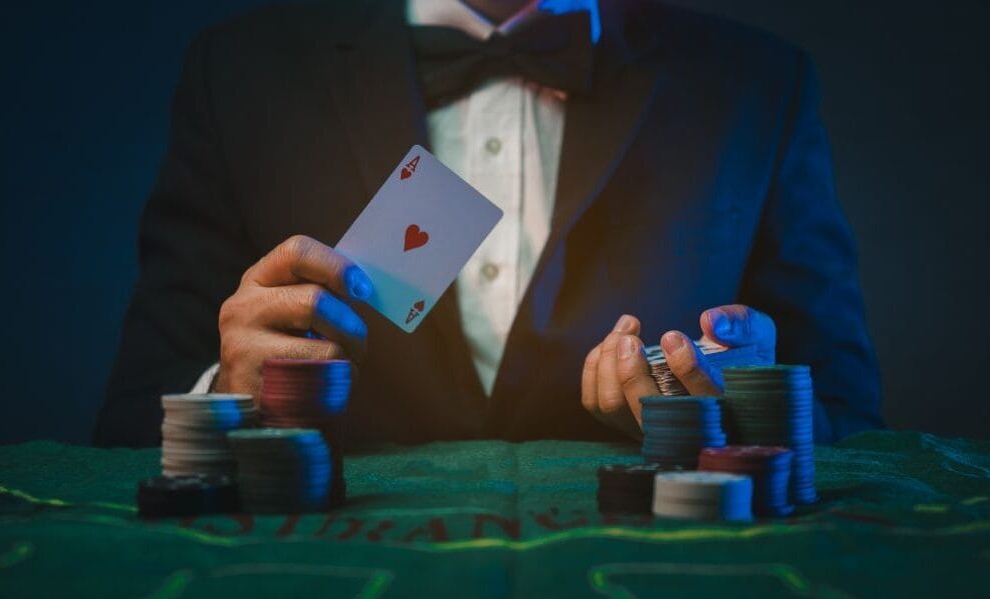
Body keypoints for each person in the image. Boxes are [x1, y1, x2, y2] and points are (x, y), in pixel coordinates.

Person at [95, 0, 883, 448]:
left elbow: (852, 419)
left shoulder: (757, 82)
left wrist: (755, 398)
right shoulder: (237, 72)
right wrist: (228, 396)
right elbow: (132, 423)